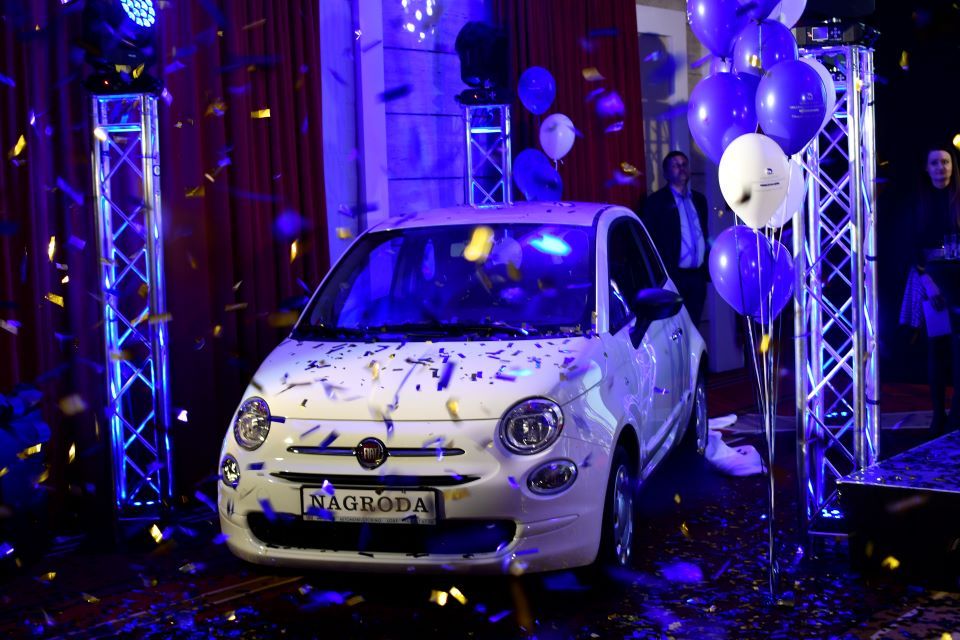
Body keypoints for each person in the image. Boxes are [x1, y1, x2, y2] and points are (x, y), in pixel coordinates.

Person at [910, 144, 960, 433]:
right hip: (933, 281)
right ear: (926, 168)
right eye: (935, 163)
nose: (941, 168)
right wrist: (927, 281)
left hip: (959, 281)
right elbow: (910, 248)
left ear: (953, 166)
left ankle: (956, 416)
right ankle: (938, 415)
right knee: (938, 349)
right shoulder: (918, 203)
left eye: (945, 162)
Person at [638, 151, 710, 325]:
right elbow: (650, 241)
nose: (681, 168)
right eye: (675, 165)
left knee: (694, 325)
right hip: (673, 277)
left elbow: (704, 233)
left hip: (697, 277)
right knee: (674, 326)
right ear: (666, 173)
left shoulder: (700, 200)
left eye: (684, 164)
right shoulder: (656, 202)